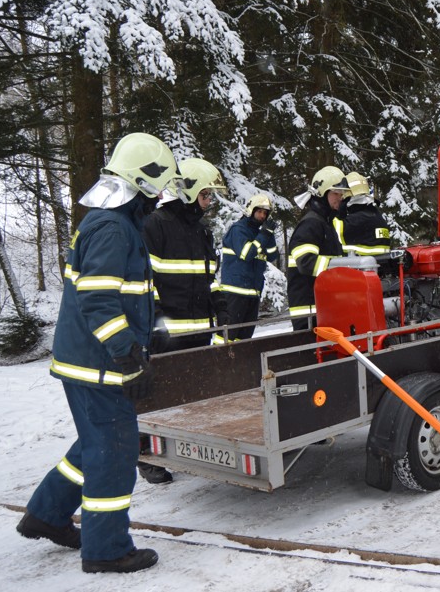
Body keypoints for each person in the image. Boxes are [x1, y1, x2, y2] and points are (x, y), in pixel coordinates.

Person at [17, 132, 179, 574]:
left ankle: (46, 514)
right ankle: (107, 549)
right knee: (115, 452)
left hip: (87, 360)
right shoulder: (111, 227)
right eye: (159, 185)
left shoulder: (113, 221)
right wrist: (127, 354)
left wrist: (149, 330)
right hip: (100, 365)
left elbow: (120, 291)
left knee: (94, 443)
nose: (161, 195)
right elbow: (98, 300)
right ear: (143, 180)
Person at [136, 157, 227, 485]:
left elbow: (209, 279)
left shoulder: (202, 231)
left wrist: (221, 308)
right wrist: (156, 320)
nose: (209, 201)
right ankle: (146, 455)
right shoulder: (155, 225)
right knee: (157, 397)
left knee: (193, 394)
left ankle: (186, 448)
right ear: (188, 191)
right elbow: (144, 280)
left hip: (199, 331)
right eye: (205, 194)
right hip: (166, 334)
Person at [286, 166, 351, 331]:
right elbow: (306, 262)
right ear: (322, 194)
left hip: (322, 308)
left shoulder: (326, 224)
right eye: (336, 193)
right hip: (309, 311)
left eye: (342, 194)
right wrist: (339, 268)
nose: (340, 198)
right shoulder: (311, 224)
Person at [217, 193, 278, 341]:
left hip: (253, 293)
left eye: (265, 213)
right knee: (227, 337)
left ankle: (239, 357)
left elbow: (272, 255)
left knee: (244, 339)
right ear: (251, 210)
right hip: (235, 292)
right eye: (259, 211)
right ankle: (219, 355)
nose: (262, 216)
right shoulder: (238, 229)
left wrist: (269, 234)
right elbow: (247, 254)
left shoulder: (261, 232)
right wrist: (264, 235)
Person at [340, 171, 392, 255]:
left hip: (359, 262)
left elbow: (332, 232)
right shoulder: (375, 215)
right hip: (378, 262)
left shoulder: (356, 220)